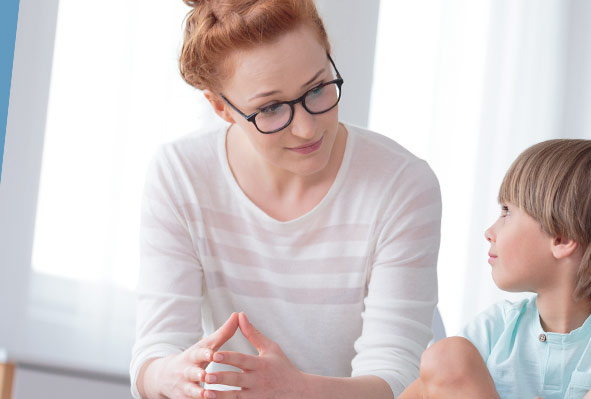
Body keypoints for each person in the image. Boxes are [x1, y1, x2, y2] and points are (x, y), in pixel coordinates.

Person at [129, 1, 441, 399]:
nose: (308, 127)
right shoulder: (181, 174)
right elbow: (155, 354)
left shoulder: (401, 183)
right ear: (220, 107)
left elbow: (396, 377)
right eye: (272, 108)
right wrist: (174, 375)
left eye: (317, 88)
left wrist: (297, 389)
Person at [400, 139, 591, 399]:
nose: (489, 231)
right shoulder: (493, 331)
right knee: (446, 356)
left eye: (507, 212)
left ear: (561, 238)